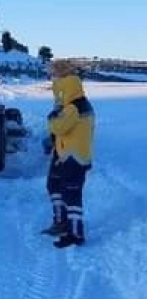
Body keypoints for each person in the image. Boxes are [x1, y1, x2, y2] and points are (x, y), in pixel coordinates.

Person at [41, 59, 95, 248]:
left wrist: (53, 116)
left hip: (73, 157)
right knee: (54, 186)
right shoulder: (76, 104)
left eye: (54, 76)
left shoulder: (74, 107)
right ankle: (61, 222)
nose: (51, 80)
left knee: (71, 195)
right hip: (66, 154)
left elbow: (59, 126)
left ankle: (75, 233)